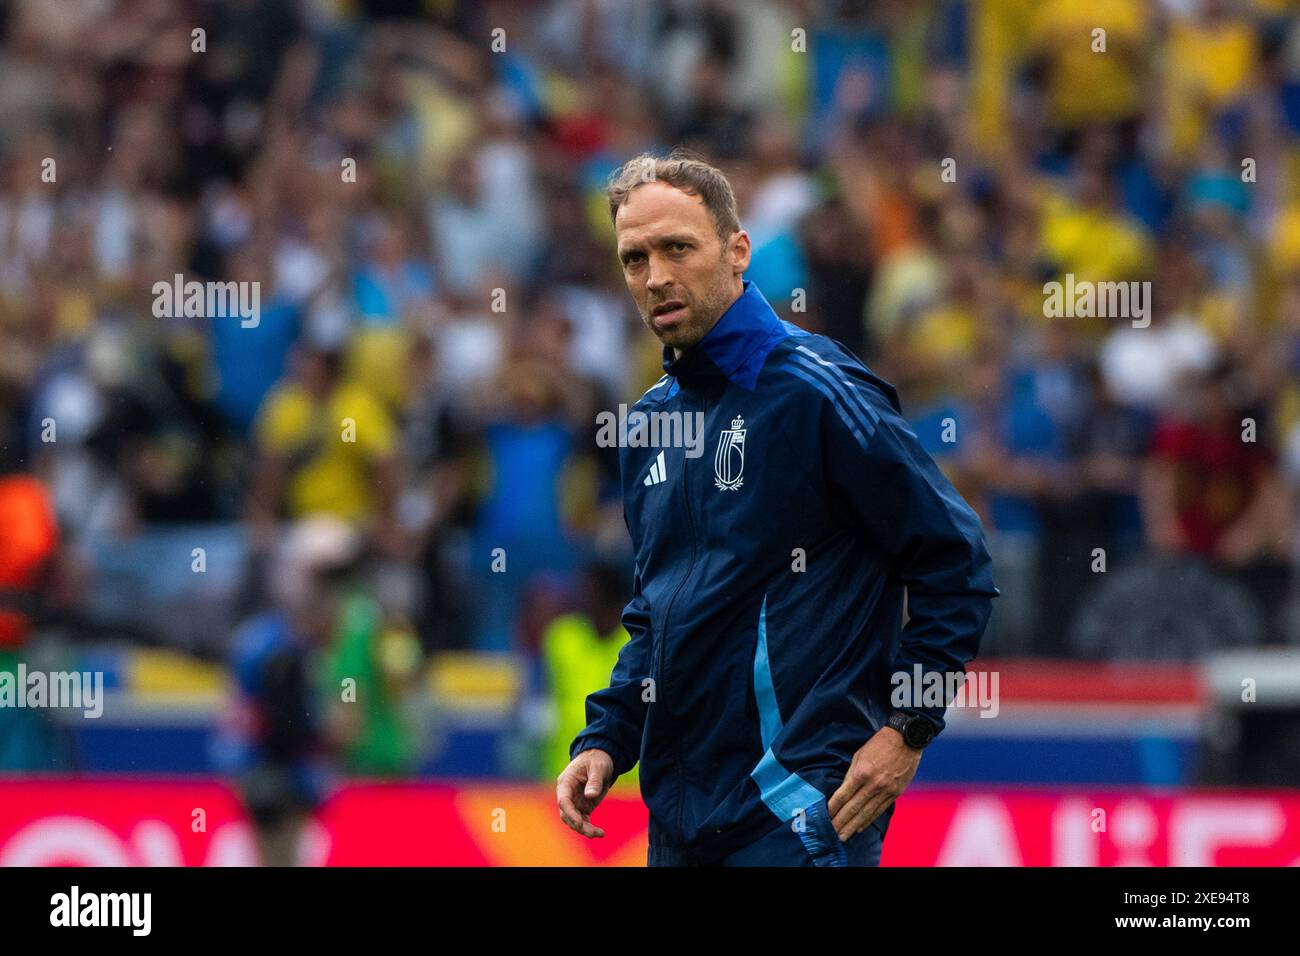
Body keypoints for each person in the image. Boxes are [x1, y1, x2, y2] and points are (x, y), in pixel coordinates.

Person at [555, 149, 998, 867]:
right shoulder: (646, 426)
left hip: (798, 813)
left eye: (677, 248)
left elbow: (956, 558)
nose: (657, 276)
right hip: (679, 826)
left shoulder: (816, 390)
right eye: (635, 258)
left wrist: (908, 728)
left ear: (737, 252)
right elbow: (654, 613)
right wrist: (608, 737)